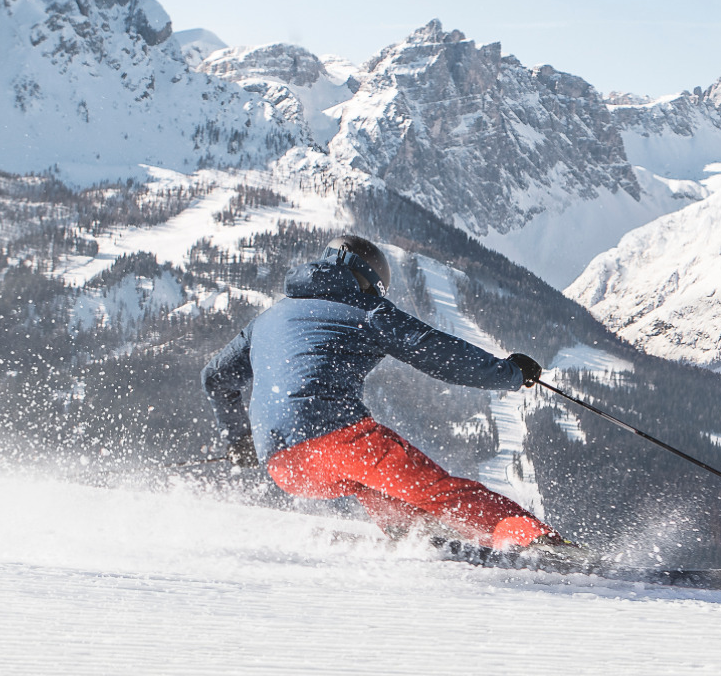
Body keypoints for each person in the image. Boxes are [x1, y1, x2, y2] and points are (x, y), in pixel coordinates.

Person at [202, 233, 571, 554]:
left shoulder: (267, 318)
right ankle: (538, 544)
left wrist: (239, 438)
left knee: (370, 481)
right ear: (367, 279)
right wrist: (510, 373)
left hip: (284, 463)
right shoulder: (367, 309)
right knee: (442, 492)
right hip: (337, 438)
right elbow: (440, 354)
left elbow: (215, 377)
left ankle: (416, 533)